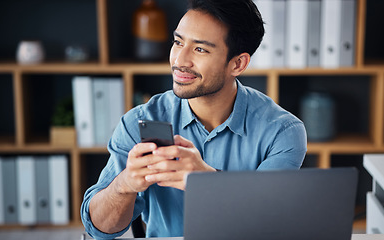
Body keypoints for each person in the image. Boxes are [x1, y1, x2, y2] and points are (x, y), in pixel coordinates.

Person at [81, 0, 307, 238]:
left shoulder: (283, 131)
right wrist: (125, 184)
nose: (180, 60)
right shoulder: (138, 122)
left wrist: (207, 183)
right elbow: (99, 230)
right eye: (178, 42)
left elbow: (271, 224)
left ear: (238, 63)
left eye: (200, 49)